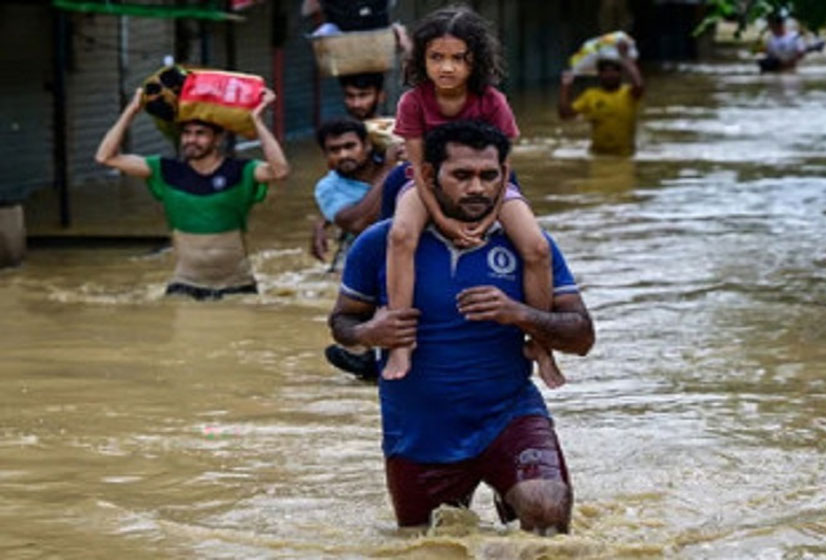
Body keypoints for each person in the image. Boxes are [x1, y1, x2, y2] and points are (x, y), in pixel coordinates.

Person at [328, 120, 595, 532]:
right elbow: (342, 322)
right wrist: (368, 334)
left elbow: (582, 337)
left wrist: (520, 313)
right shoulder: (380, 244)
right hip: (418, 435)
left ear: (505, 177)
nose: (477, 188)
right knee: (431, 544)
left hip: (510, 416)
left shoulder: (527, 245)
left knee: (547, 512)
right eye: (462, 176)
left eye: (489, 176)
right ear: (430, 177)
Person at [386, 6, 563, 387]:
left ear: (474, 62)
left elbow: (504, 170)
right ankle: (401, 341)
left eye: (457, 59)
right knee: (400, 235)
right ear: (422, 60)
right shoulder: (413, 102)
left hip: (492, 187)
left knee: (537, 248)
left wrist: (487, 218)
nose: (446, 68)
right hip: (426, 186)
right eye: (436, 58)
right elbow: (419, 169)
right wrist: (444, 218)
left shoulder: (493, 101)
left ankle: (541, 343)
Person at [94, 88, 289, 300]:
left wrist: (257, 122)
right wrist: (132, 110)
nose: (191, 140)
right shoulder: (165, 170)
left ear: (218, 139)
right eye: (186, 133)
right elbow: (106, 157)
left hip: (237, 285)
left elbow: (280, 170)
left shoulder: (241, 171)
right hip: (185, 285)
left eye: (200, 134)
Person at [310, 118, 398, 381]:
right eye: (334, 150)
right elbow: (358, 223)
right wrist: (390, 172)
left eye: (350, 146)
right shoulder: (327, 187)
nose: (343, 155)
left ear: (368, 146)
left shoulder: (398, 164)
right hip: (362, 250)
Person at [557, 41, 645, 157]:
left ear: (620, 73)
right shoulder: (590, 95)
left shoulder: (629, 93)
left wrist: (625, 58)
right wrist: (565, 86)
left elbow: (639, 85)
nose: (610, 74)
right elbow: (565, 114)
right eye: (605, 71)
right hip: (598, 156)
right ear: (599, 74)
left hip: (625, 156)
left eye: (614, 70)